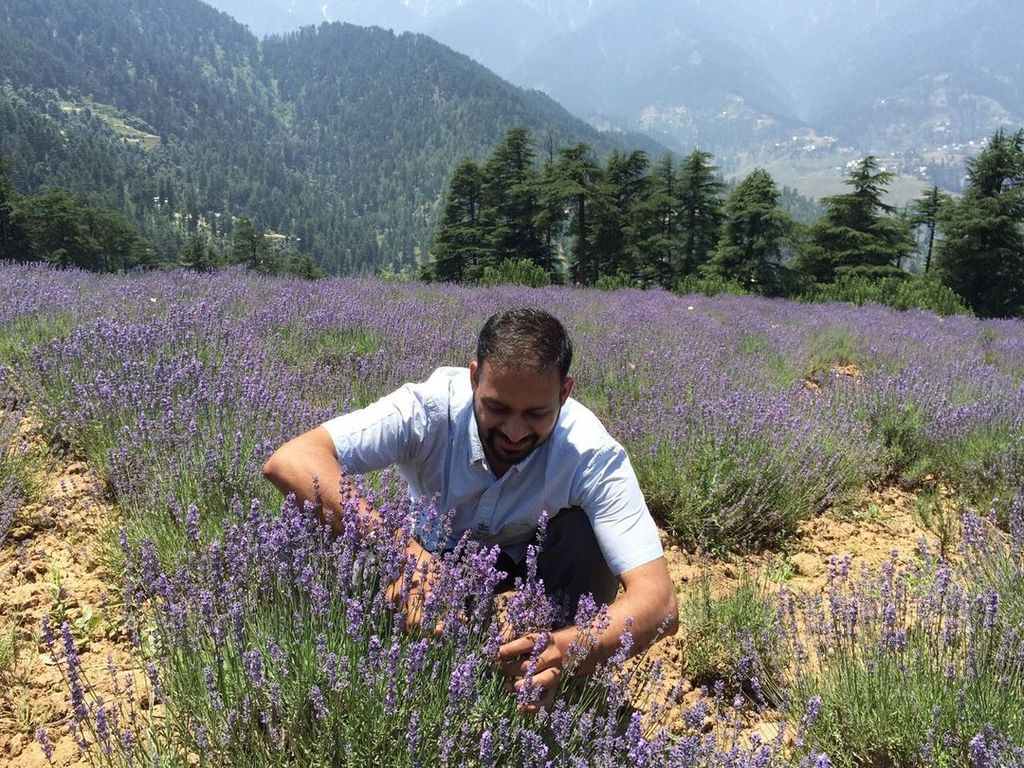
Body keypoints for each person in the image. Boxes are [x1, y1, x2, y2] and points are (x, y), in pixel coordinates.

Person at [263, 307, 677, 711]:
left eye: (536, 413)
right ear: (474, 376)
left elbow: (658, 603)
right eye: (497, 408)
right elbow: (294, 460)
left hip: (532, 557)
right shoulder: (427, 409)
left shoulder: (590, 452)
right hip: (433, 551)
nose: (514, 431)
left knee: (585, 536)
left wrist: (567, 649)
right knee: (331, 528)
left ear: (564, 393)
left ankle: (551, 678)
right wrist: (400, 553)